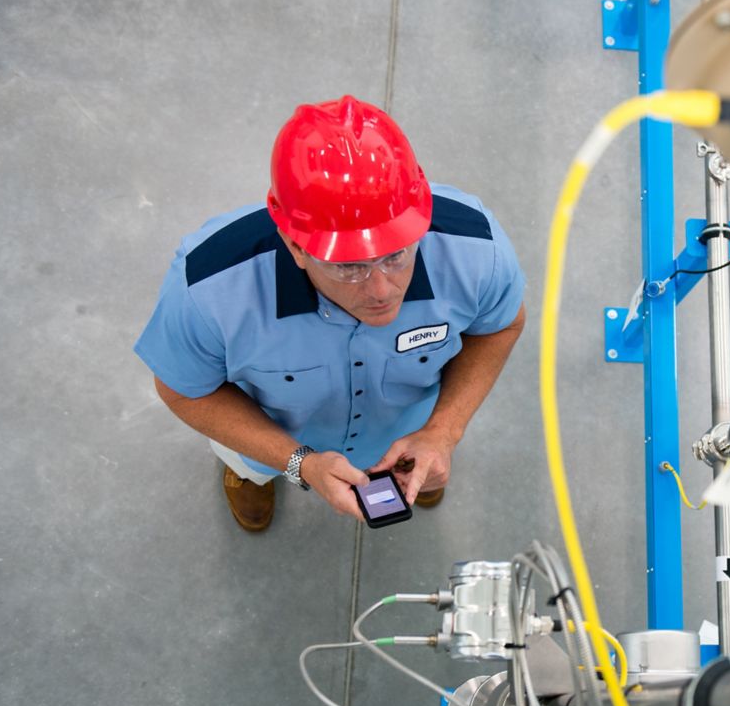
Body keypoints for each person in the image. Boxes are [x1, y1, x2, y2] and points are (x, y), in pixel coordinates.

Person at [134, 95, 526, 532]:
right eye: (349, 266)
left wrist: (443, 432)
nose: (382, 290)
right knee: (255, 467)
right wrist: (296, 462)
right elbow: (185, 390)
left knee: (426, 467)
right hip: (271, 438)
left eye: (396, 255)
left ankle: (424, 461)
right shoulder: (206, 293)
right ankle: (254, 475)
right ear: (296, 245)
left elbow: (501, 326)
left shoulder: (478, 252)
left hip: (411, 428)